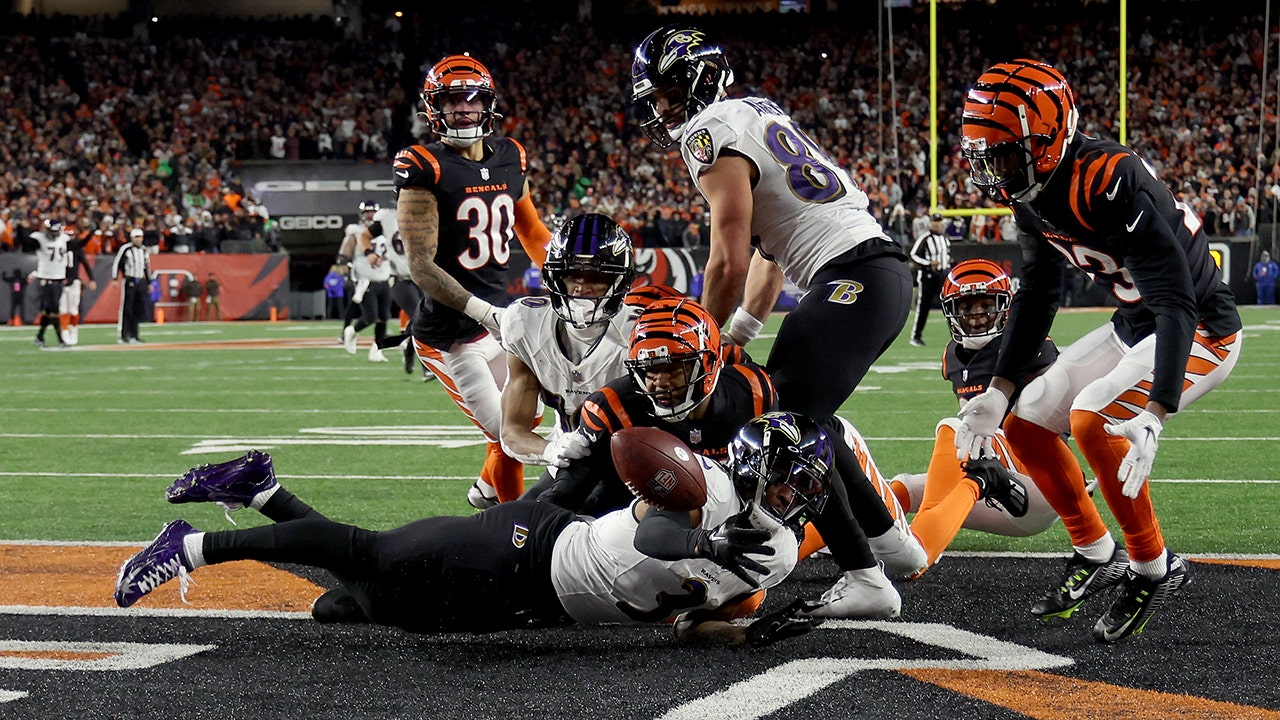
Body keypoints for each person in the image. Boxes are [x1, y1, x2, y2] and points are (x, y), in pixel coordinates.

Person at [631, 27, 925, 613]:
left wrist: (704, 342)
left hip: (855, 276)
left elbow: (729, 258)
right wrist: (739, 333)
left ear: (698, 80)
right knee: (795, 414)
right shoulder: (753, 112)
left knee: (788, 426)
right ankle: (894, 549)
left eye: (667, 90)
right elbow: (769, 254)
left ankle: (868, 580)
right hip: (870, 274)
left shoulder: (708, 132)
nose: (661, 107)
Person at [113, 412, 834, 647]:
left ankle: (263, 490)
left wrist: (747, 632)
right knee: (370, 559)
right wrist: (707, 544)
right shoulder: (701, 491)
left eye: (803, 485)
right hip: (525, 550)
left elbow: (688, 620)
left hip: (539, 602)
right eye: (787, 479)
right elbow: (653, 537)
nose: (796, 496)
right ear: (749, 469)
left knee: (365, 598)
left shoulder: (770, 556)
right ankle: (194, 545)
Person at [957, 59, 1243, 643]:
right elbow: (1039, 292)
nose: (993, 170)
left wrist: (1157, 412)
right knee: (1029, 419)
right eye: (984, 155)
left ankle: (1151, 566)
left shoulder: (1107, 179)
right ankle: (1094, 550)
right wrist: (999, 391)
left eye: (1004, 153)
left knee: (1091, 416)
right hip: (1135, 321)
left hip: (1198, 326)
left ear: (1046, 140)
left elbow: (1176, 301)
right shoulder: (1033, 189)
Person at [533, 296, 911, 618]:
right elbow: (559, 496)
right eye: (650, 370)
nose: (660, 382)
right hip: (634, 517)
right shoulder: (614, 407)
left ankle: (866, 572)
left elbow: (787, 478)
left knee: (803, 446)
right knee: (553, 512)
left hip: (729, 513)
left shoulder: (751, 392)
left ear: (710, 367)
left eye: (674, 369)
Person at [395, 54, 554, 505]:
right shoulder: (424, 165)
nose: (462, 109)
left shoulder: (510, 156)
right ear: (434, 108)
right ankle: (513, 530)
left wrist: (564, 279)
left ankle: (487, 489)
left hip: (497, 323)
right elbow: (421, 265)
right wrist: (483, 311)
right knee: (508, 432)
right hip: (450, 335)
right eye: (450, 101)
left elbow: (532, 231)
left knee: (528, 417)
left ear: (488, 104)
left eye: (471, 99)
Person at [889, 259, 1064, 573]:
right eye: (967, 308)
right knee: (905, 487)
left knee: (955, 427)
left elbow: (1061, 416)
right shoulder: (952, 356)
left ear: (1004, 306)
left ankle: (923, 545)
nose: (977, 316)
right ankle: (850, 539)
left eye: (986, 305)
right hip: (992, 485)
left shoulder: (1028, 346)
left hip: (1036, 488)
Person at [494, 212, 642, 509]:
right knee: (515, 536)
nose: (581, 287)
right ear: (554, 275)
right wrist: (551, 449)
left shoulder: (641, 332)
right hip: (567, 464)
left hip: (634, 470)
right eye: (573, 274)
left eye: (597, 277)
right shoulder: (526, 323)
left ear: (619, 281)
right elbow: (512, 432)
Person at [342, 200, 393, 362]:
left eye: (372, 212)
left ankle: (376, 350)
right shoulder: (356, 232)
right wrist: (346, 269)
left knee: (384, 317)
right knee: (370, 317)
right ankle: (352, 331)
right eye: (367, 212)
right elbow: (344, 253)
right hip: (365, 280)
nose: (369, 215)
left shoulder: (387, 230)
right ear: (362, 214)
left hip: (384, 276)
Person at [907, 213, 952, 346]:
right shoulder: (925, 238)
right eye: (935, 222)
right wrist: (928, 263)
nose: (937, 224)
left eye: (939, 221)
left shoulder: (944, 239)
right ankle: (915, 336)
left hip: (942, 275)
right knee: (923, 306)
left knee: (949, 305)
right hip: (928, 276)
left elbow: (947, 256)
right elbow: (913, 255)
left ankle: (956, 335)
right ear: (930, 223)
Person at [31, 219, 71, 349]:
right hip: (47, 278)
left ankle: (39, 337)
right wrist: (21, 228)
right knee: (54, 310)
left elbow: (77, 244)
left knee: (48, 311)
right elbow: (26, 243)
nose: (54, 234)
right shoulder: (39, 238)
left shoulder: (64, 239)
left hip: (58, 278)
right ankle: (60, 340)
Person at [112, 227, 152, 344]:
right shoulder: (126, 248)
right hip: (130, 280)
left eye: (140, 237)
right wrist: (115, 278)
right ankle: (124, 335)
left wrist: (149, 282)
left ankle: (134, 335)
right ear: (132, 238)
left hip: (141, 281)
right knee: (127, 308)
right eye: (136, 237)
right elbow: (117, 263)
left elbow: (147, 267)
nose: (138, 240)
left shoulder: (144, 250)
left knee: (137, 309)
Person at [58, 229, 97, 346]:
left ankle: (73, 330)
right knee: (63, 309)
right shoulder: (58, 248)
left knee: (74, 309)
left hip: (74, 281)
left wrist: (91, 279)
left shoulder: (76, 249)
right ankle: (65, 332)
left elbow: (85, 263)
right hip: (61, 282)